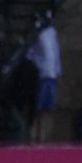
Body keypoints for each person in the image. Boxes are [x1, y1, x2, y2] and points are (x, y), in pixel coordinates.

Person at [25, 11, 61, 143]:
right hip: (40, 75)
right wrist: (37, 66)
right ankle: (32, 135)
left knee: (47, 108)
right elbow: (29, 53)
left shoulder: (52, 32)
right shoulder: (35, 33)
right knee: (36, 107)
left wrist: (57, 70)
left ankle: (43, 135)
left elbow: (55, 52)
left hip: (50, 75)